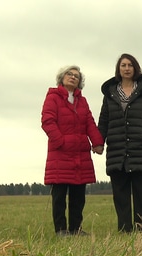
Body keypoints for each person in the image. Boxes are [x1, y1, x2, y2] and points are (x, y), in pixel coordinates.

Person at [98, 54, 142, 233]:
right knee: (121, 195)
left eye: (130, 65)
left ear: (135, 68)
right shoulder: (111, 92)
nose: (127, 68)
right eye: (123, 65)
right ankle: (124, 231)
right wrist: (99, 142)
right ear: (118, 69)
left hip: (140, 149)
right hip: (117, 150)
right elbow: (104, 119)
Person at [41, 65, 104, 236]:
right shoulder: (52, 98)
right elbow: (48, 122)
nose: (73, 77)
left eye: (77, 76)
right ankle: (61, 230)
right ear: (61, 78)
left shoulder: (82, 101)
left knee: (78, 196)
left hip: (80, 155)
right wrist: (61, 141)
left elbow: (89, 122)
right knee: (59, 196)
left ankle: (76, 229)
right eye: (69, 74)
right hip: (60, 154)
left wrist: (97, 142)